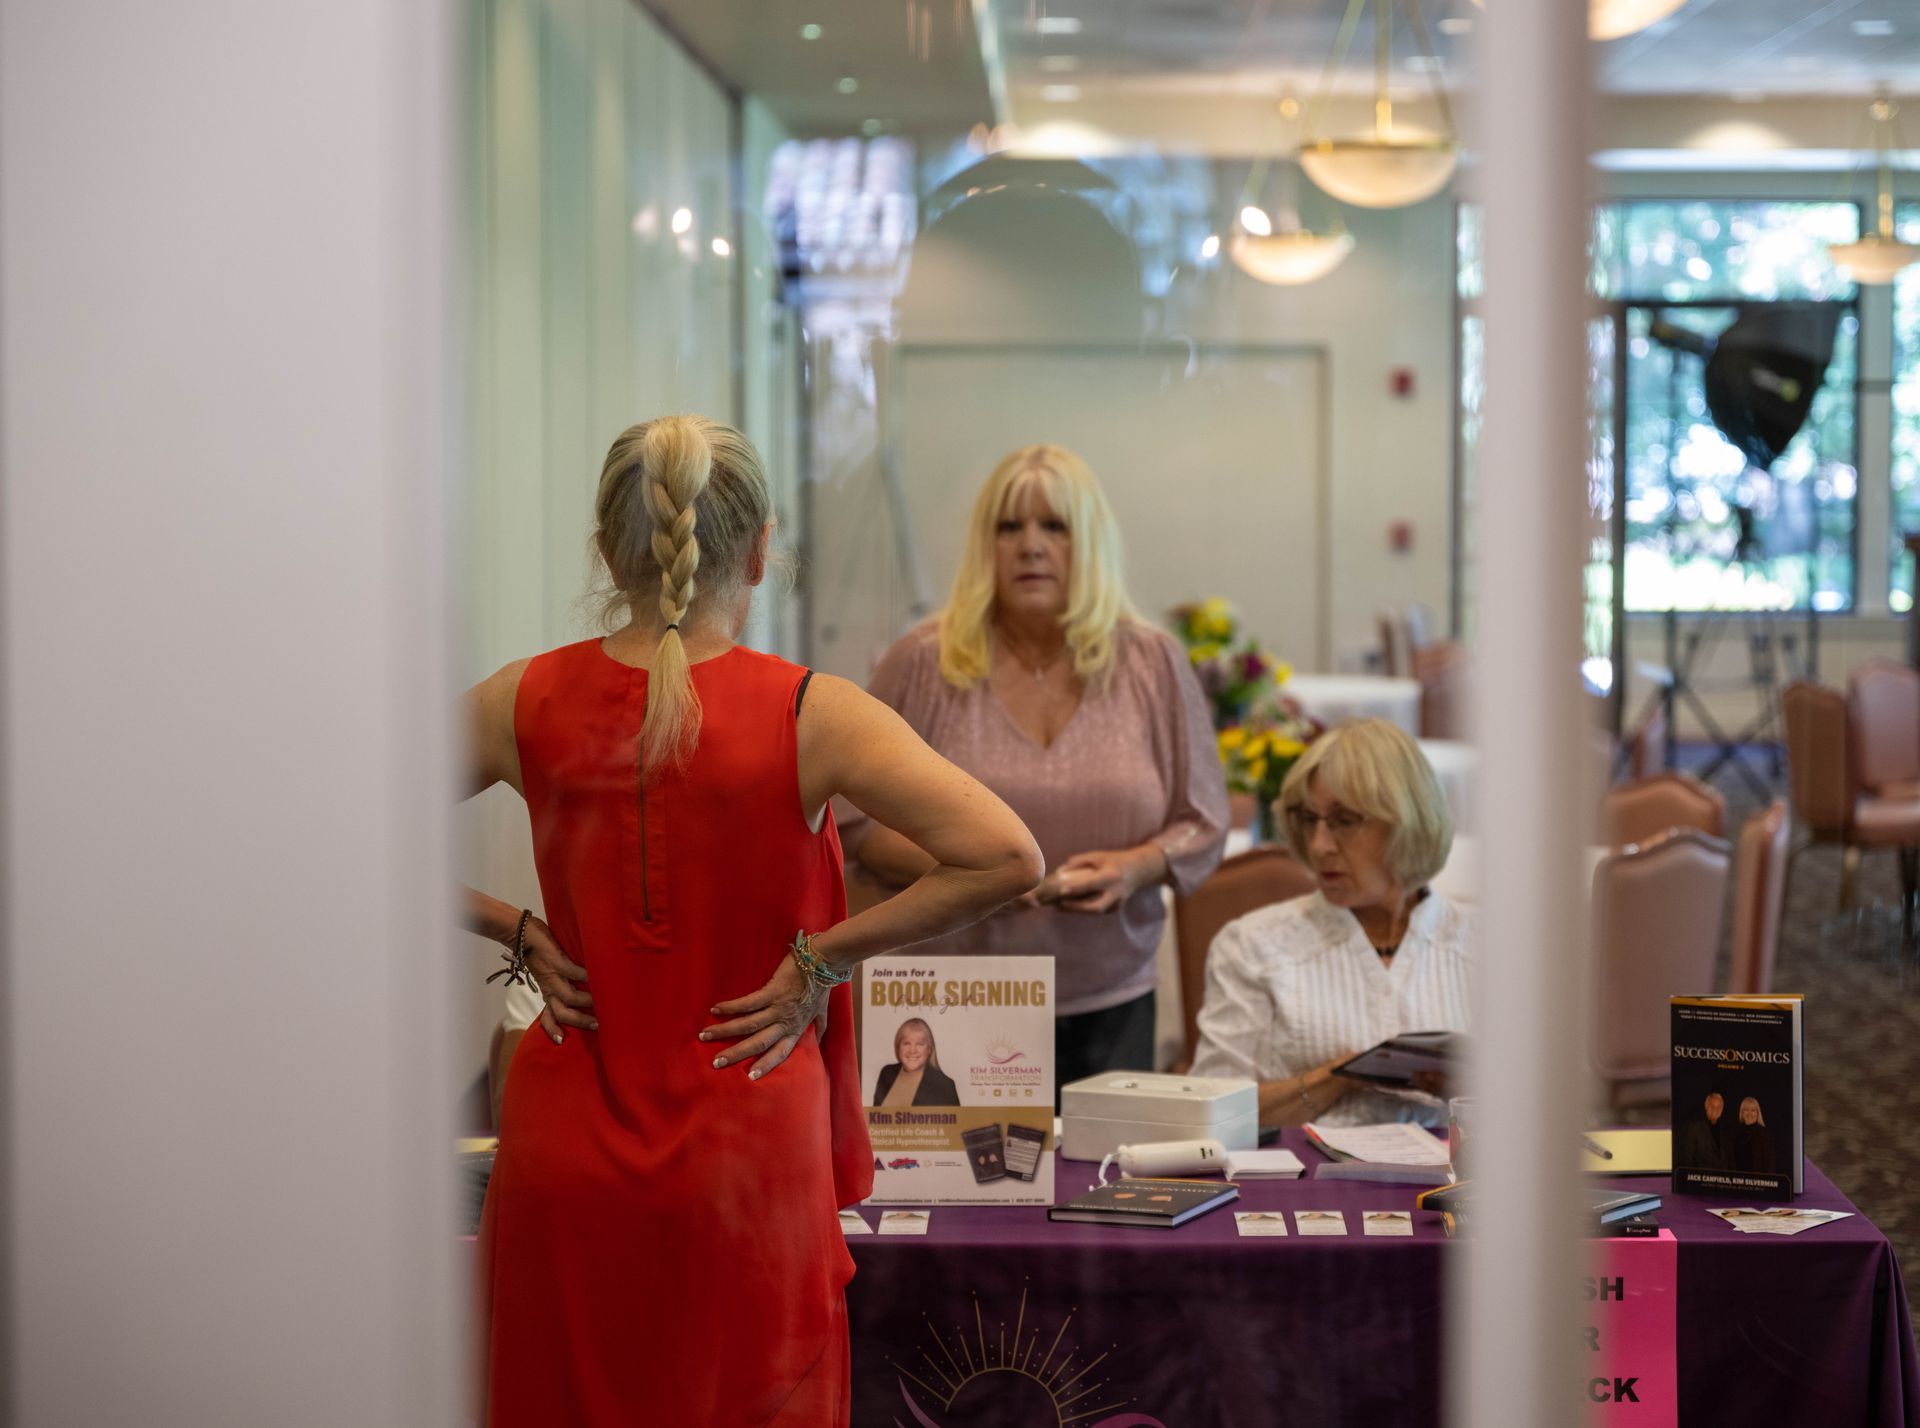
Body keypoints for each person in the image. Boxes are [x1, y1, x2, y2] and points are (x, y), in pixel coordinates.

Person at [461, 415, 1042, 1427]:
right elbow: (1007, 855)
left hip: (568, 1143)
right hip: (747, 1132)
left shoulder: (525, 698)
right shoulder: (811, 712)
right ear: (763, 549)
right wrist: (820, 960)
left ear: (606, 550)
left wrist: (512, 926)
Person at [843, 443, 1228, 1087]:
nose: (1030, 545)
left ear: (1091, 542)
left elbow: (1202, 819)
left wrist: (1136, 868)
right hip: (950, 1002)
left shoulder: (1152, 662)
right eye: (1009, 526)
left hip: (1113, 995)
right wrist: (985, 876)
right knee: (951, 1191)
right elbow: (853, 824)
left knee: (1105, 1185)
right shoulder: (920, 662)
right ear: (983, 545)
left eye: (1055, 526)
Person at [1189, 719, 1471, 1127]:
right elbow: (1209, 1111)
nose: (1320, 845)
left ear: (1406, 822)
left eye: (1344, 820)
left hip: (1459, 1184)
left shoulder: (1484, 945)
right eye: (1309, 819)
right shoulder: (1254, 945)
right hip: (1306, 1183)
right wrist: (1342, 1074)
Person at [871, 1017, 962, 1106]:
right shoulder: (886, 1073)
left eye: (919, 1044)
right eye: (906, 1043)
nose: (912, 1050)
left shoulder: (945, 1086)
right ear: (898, 1047)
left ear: (929, 1049)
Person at [1676, 1090, 1732, 1171]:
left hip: (1722, 1181)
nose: (1715, 1109)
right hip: (1701, 1180)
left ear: (1722, 1109)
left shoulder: (1725, 1131)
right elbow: (1687, 1158)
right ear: (1706, 1106)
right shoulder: (1694, 1128)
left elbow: (1729, 1160)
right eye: (1712, 1106)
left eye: (1718, 1107)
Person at [1731, 1094, 1774, 1174]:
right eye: (1746, 1109)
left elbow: (1769, 1165)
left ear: (1758, 1113)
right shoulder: (1734, 1133)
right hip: (1738, 1182)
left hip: (1759, 1183)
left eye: (1753, 1110)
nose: (1750, 1113)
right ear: (1742, 1112)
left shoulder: (1764, 1134)